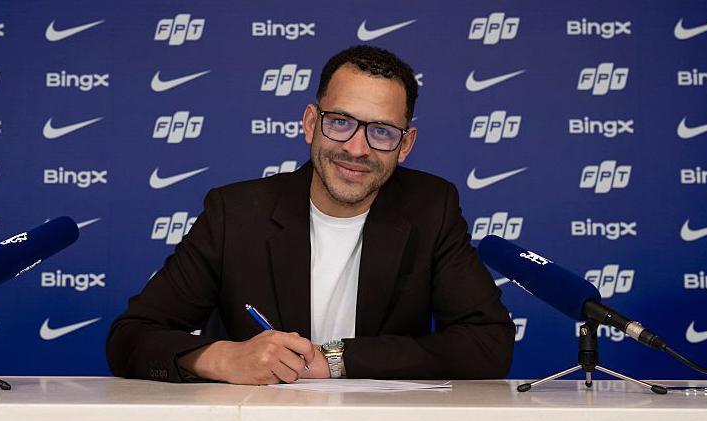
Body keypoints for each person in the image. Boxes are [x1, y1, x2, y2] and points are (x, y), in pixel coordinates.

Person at [106, 45, 515, 384]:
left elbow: (488, 343)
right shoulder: (234, 213)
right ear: (310, 124)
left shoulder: (431, 207)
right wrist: (222, 358)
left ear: (405, 145)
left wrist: (334, 359)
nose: (357, 148)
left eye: (382, 131)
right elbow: (130, 338)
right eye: (340, 122)